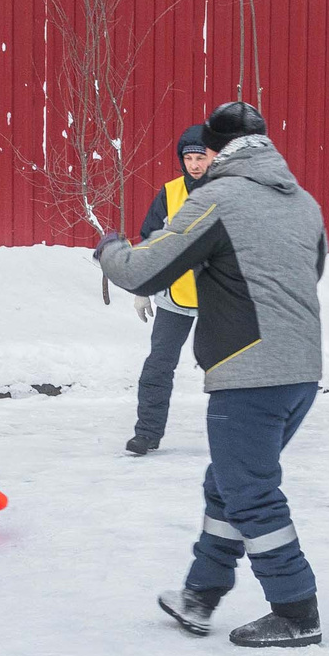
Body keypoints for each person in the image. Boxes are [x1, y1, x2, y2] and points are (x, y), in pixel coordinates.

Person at [97, 100, 329, 649]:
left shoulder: (217, 199)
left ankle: (297, 612)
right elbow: (311, 270)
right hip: (301, 371)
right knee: (228, 483)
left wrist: (110, 247)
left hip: (249, 369)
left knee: (250, 492)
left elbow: (144, 270)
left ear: (219, 148)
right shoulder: (304, 203)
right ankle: (200, 596)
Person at [128, 124, 214, 455]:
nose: (195, 164)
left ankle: (242, 436)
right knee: (158, 366)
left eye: (201, 157)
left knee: (230, 372)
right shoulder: (171, 192)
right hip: (175, 296)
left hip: (217, 298)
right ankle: (147, 434)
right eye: (189, 158)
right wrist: (142, 287)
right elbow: (151, 240)